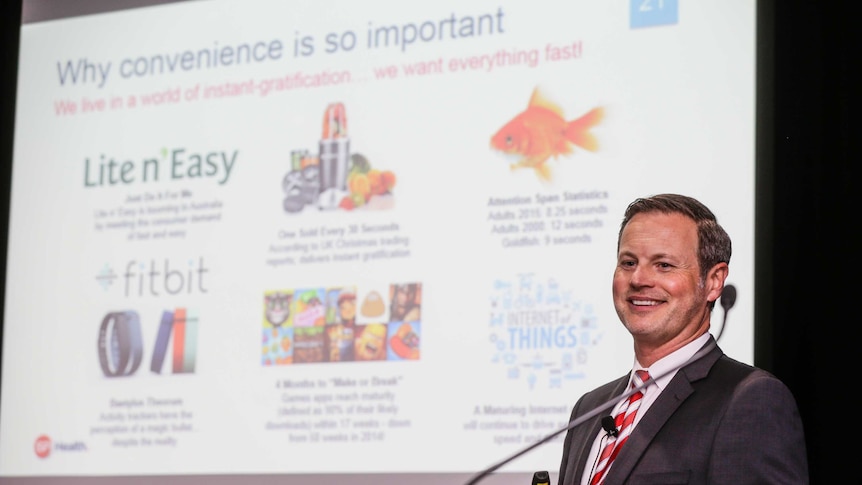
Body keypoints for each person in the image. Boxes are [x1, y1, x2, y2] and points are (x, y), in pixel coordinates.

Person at [557, 194, 808, 485]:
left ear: (714, 281)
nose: (638, 279)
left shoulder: (749, 400)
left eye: (663, 265)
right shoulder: (590, 409)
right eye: (628, 262)